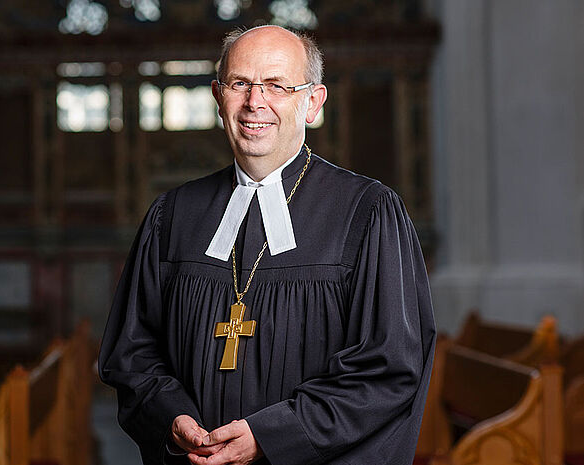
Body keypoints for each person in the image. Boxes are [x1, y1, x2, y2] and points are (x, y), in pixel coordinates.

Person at [99, 25, 436, 465]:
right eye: (240, 84)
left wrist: (272, 436)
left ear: (312, 102)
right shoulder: (174, 214)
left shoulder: (369, 212)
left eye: (277, 85)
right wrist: (172, 417)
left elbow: (388, 369)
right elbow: (132, 352)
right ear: (219, 97)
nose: (254, 102)